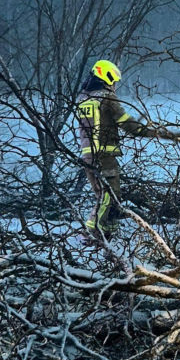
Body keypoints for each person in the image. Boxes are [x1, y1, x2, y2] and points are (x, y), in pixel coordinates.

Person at [76, 59, 158, 241]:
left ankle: (108, 235)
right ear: (107, 76)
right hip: (104, 155)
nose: (114, 85)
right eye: (113, 81)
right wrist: (143, 130)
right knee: (109, 196)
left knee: (104, 196)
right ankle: (90, 233)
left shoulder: (83, 98)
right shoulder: (106, 97)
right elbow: (125, 122)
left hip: (88, 156)